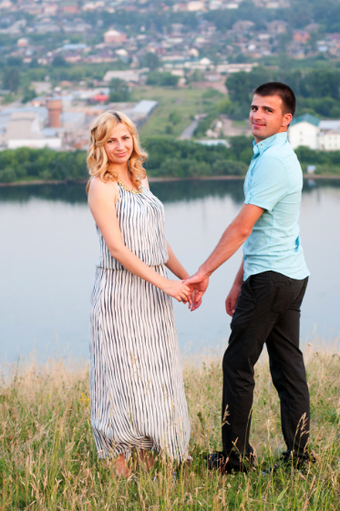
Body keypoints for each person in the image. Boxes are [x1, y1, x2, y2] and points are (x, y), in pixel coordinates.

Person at [185, 82, 311, 474]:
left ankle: (234, 459)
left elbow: (242, 227)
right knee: (288, 369)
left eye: (267, 110)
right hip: (287, 274)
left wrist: (203, 272)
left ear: (286, 119)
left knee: (238, 365)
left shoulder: (273, 162)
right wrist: (239, 280)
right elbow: (264, 230)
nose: (257, 115)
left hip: (272, 280)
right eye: (254, 108)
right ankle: (298, 458)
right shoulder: (271, 155)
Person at [86, 111, 192, 478]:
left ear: (134, 139)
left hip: (154, 294)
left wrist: (187, 278)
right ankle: (118, 463)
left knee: (154, 371)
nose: (120, 146)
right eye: (111, 140)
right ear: (100, 145)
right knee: (120, 374)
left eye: (125, 138)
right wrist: (166, 284)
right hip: (120, 292)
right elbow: (118, 249)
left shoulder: (140, 176)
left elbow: (157, 241)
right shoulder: (100, 185)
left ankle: (148, 455)